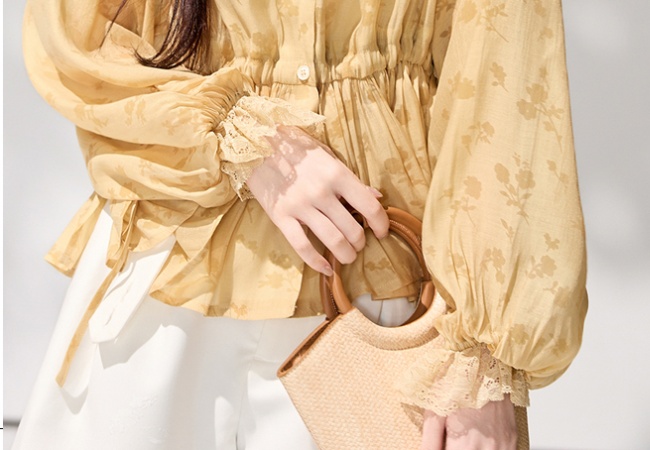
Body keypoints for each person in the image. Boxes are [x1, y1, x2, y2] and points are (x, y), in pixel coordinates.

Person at [15, 0, 587, 449]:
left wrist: (483, 362)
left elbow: (509, 88)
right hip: (176, 272)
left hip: (390, 301)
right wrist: (248, 140)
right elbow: (76, 39)